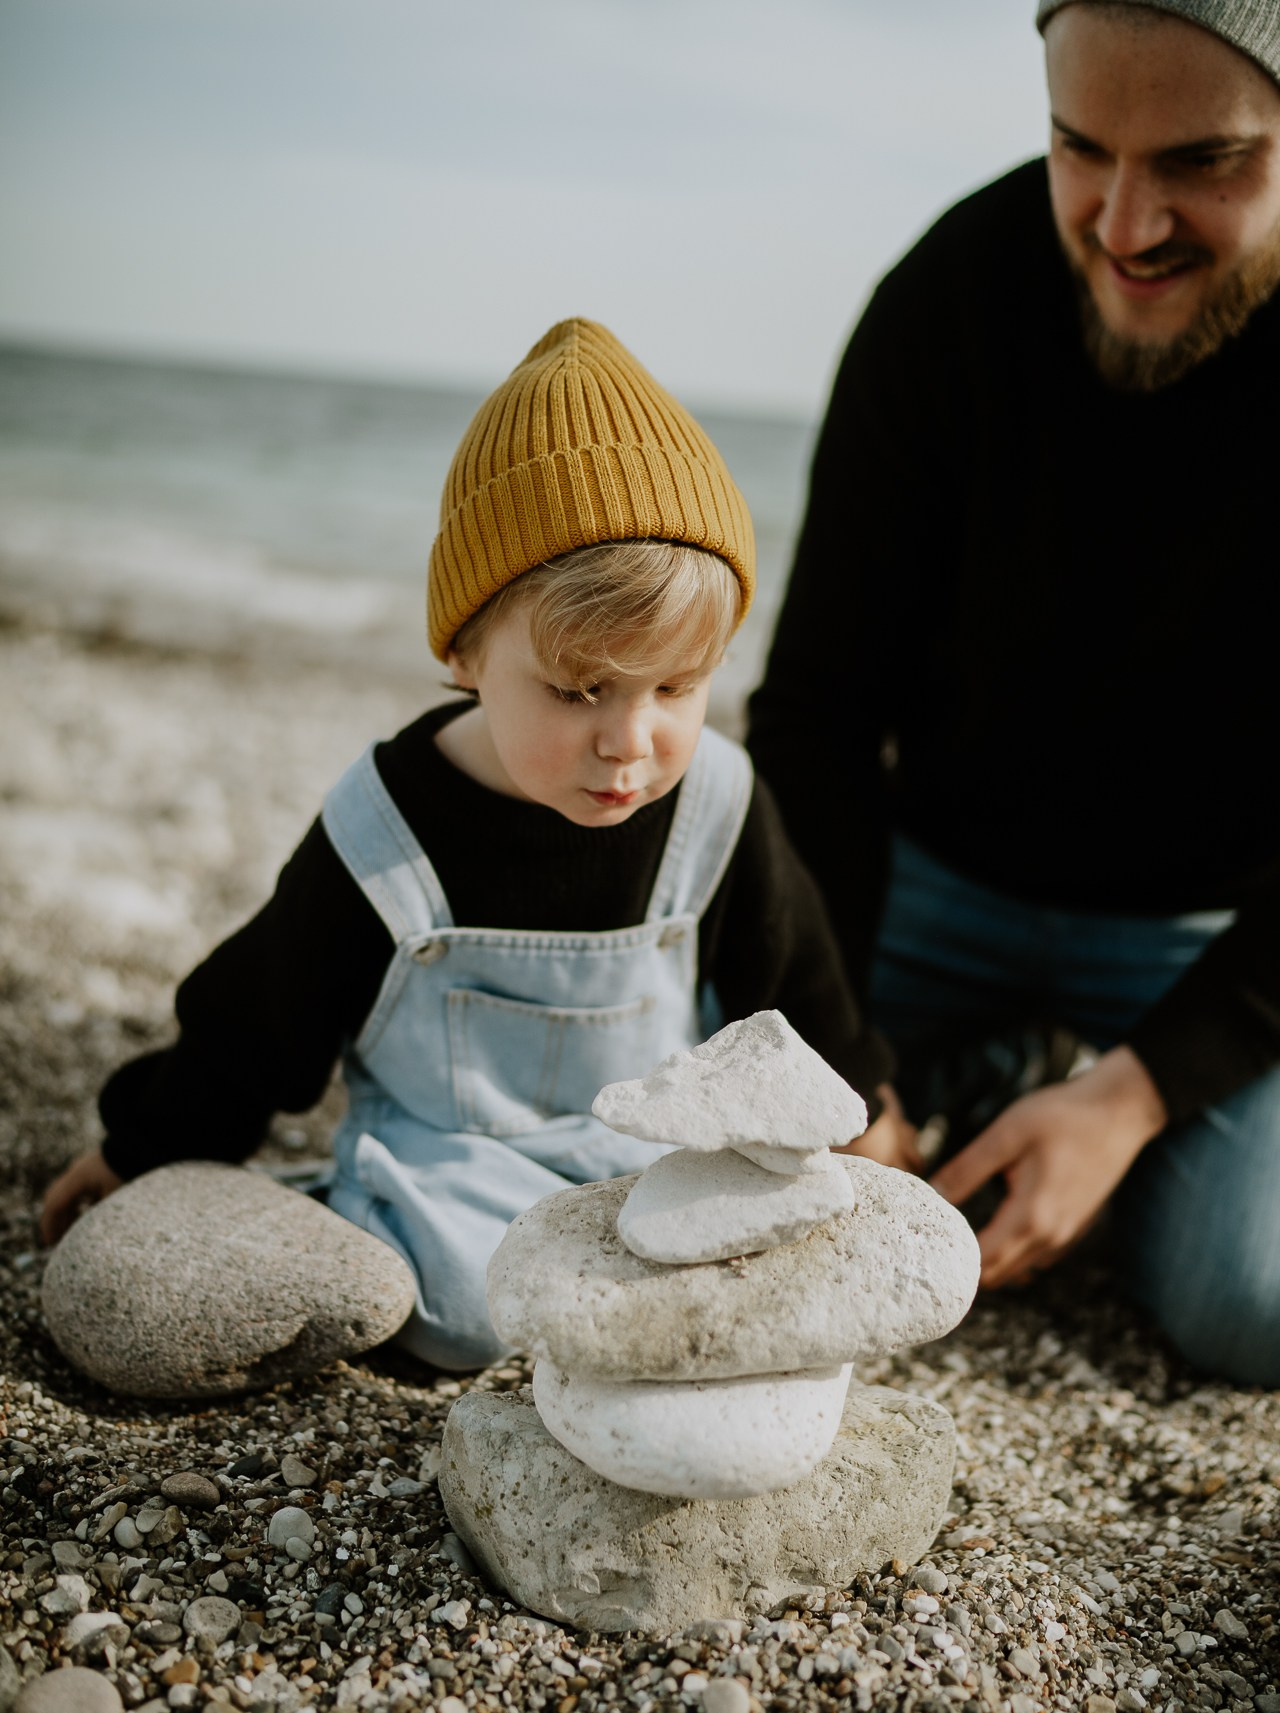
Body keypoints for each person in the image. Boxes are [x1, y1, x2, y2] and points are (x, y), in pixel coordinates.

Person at [41, 317, 895, 1371]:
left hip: (653, 1157)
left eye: (675, 686)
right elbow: (259, 1020)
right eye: (580, 690)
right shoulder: (388, 830)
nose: (630, 740)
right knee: (458, 1307)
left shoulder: (715, 797)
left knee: (776, 1256)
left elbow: (794, 983)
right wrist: (143, 1150)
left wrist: (863, 1105)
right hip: (455, 1164)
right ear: (462, 651)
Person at [747, 0, 1280, 1386]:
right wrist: (843, 1064)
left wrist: (1138, 1091)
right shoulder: (951, 298)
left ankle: (1069, 1105)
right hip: (932, 883)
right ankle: (979, 1082)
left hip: (1212, 928)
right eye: (1079, 146)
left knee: (1249, 1303)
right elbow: (813, 710)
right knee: (712, 1143)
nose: (1123, 222)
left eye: (1202, 161)